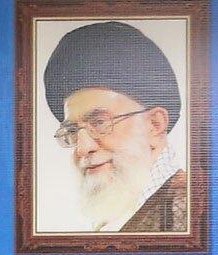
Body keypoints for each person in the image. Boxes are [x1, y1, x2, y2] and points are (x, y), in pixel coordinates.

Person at [42, 19, 190, 233]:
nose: (82, 148)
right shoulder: (118, 214)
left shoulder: (193, 211)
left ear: (154, 125)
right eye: (72, 131)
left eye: (100, 122)